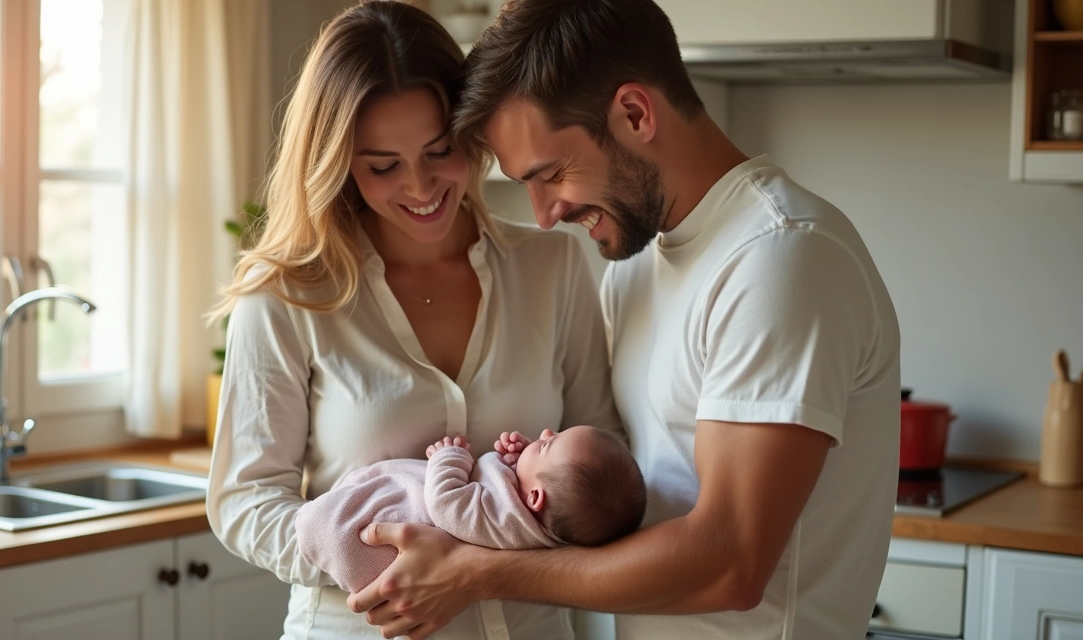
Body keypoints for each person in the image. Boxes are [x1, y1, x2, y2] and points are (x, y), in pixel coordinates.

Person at [345, 0, 902, 639]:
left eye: (550, 174)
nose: (545, 213)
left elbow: (731, 566)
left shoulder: (780, 257)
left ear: (635, 114)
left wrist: (475, 571)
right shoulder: (636, 264)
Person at [204, 2, 624, 639]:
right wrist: (372, 562)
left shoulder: (552, 266)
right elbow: (244, 501)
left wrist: (473, 568)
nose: (422, 187)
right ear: (338, 160)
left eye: (440, 150)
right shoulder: (285, 295)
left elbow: (599, 461)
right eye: (383, 165)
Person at [296, 428, 646, 594]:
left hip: (396, 532)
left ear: (535, 498)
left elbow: (447, 504)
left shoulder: (505, 518)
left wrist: (449, 458)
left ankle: (323, 524)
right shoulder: (534, 519)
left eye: (549, 443)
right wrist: (523, 460)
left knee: (341, 517)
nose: (545, 432)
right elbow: (507, 487)